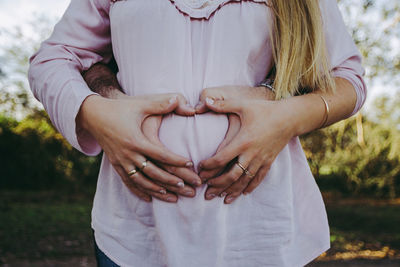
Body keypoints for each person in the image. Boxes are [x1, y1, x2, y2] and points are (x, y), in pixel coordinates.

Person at [28, 0, 367, 266]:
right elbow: (55, 59)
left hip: (261, 228)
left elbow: (347, 78)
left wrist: (287, 117)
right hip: (136, 230)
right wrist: (98, 114)